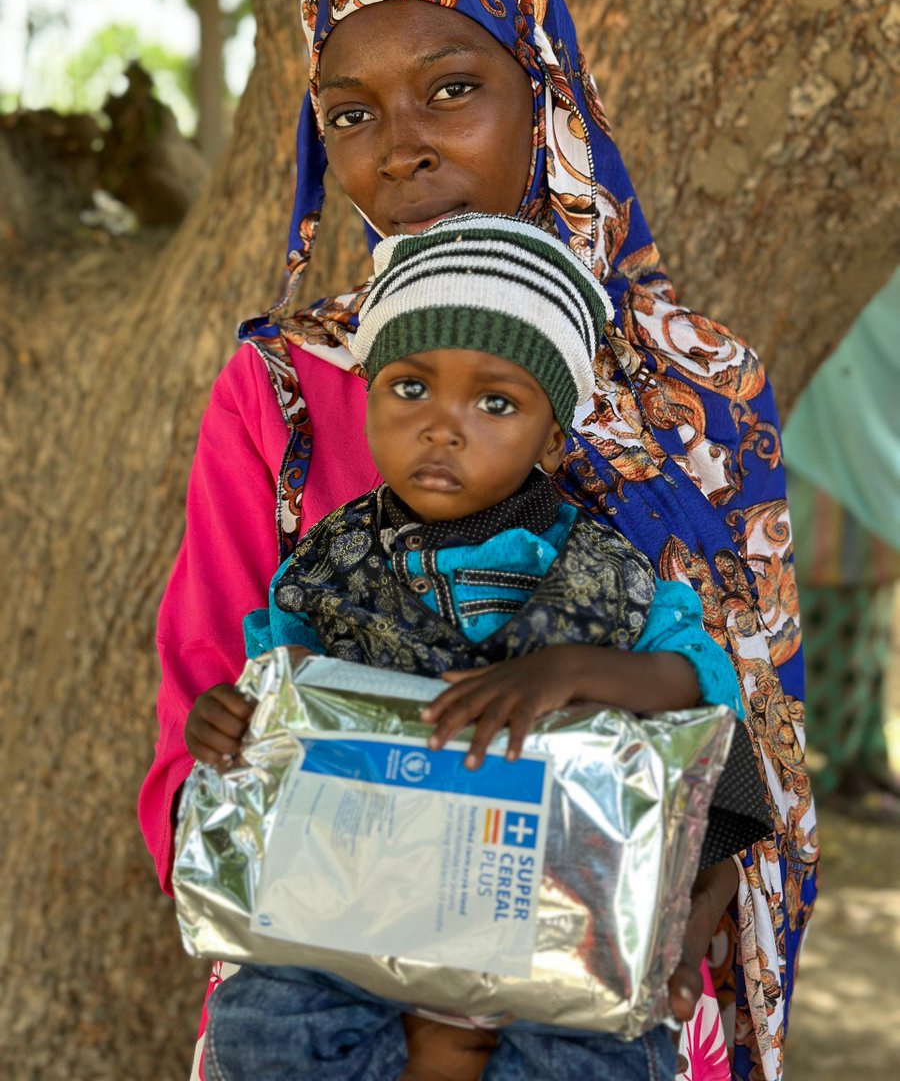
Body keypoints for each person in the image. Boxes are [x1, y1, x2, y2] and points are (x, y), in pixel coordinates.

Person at [138, 0, 817, 1081]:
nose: (398, 146)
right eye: (351, 113)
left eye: (450, 89)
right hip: (327, 983)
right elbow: (209, 715)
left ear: (544, 92)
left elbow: (741, 733)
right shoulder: (284, 390)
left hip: (601, 992)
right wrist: (392, 984)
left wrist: (624, 963)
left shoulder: (699, 398)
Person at [186, 213, 768, 1081]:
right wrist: (230, 722)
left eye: (495, 402)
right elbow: (282, 702)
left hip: (556, 914)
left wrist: (570, 671)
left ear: (552, 434)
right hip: (364, 911)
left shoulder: (602, 567)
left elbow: (701, 692)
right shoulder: (323, 567)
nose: (443, 427)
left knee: (604, 1050)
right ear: (372, 392)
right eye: (410, 387)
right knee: (262, 1024)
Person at [783, 267, 900, 811]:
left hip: (870, 442)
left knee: (871, 617)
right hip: (831, 445)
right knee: (825, 606)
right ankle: (827, 764)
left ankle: (861, 755)